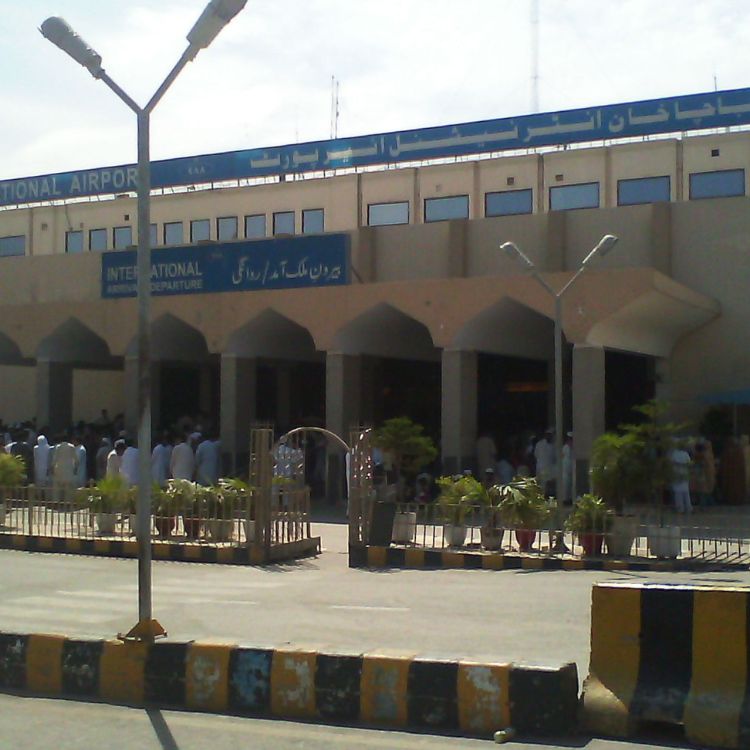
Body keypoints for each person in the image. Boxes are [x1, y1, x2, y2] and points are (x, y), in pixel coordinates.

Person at [51, 433, 78, 501]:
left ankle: (56, 501)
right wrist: (75, 468)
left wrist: (52, 467)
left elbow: (55, 459)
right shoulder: (71, 447)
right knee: (68, 488)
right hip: (69, 469)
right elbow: (76, 459)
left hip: (59, 469)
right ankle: (67, 502)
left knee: (57, 488)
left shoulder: (58, 447)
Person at [670, 443, 692, 514]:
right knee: (685, 492)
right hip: (685, 474)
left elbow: (671, 463)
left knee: (678, 492)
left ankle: (680, 509)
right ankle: (688, 508)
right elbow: (689, 463)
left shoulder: (674, 454)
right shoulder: (685, 454)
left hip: (676, 474)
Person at [534, 428, 556, 496]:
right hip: (541, 468)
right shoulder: (539, 444)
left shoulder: (554, 445)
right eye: (548, 435)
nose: (549, 436)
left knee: (550, 486)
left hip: (550, 468)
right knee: (541, 486)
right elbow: (536, 455)